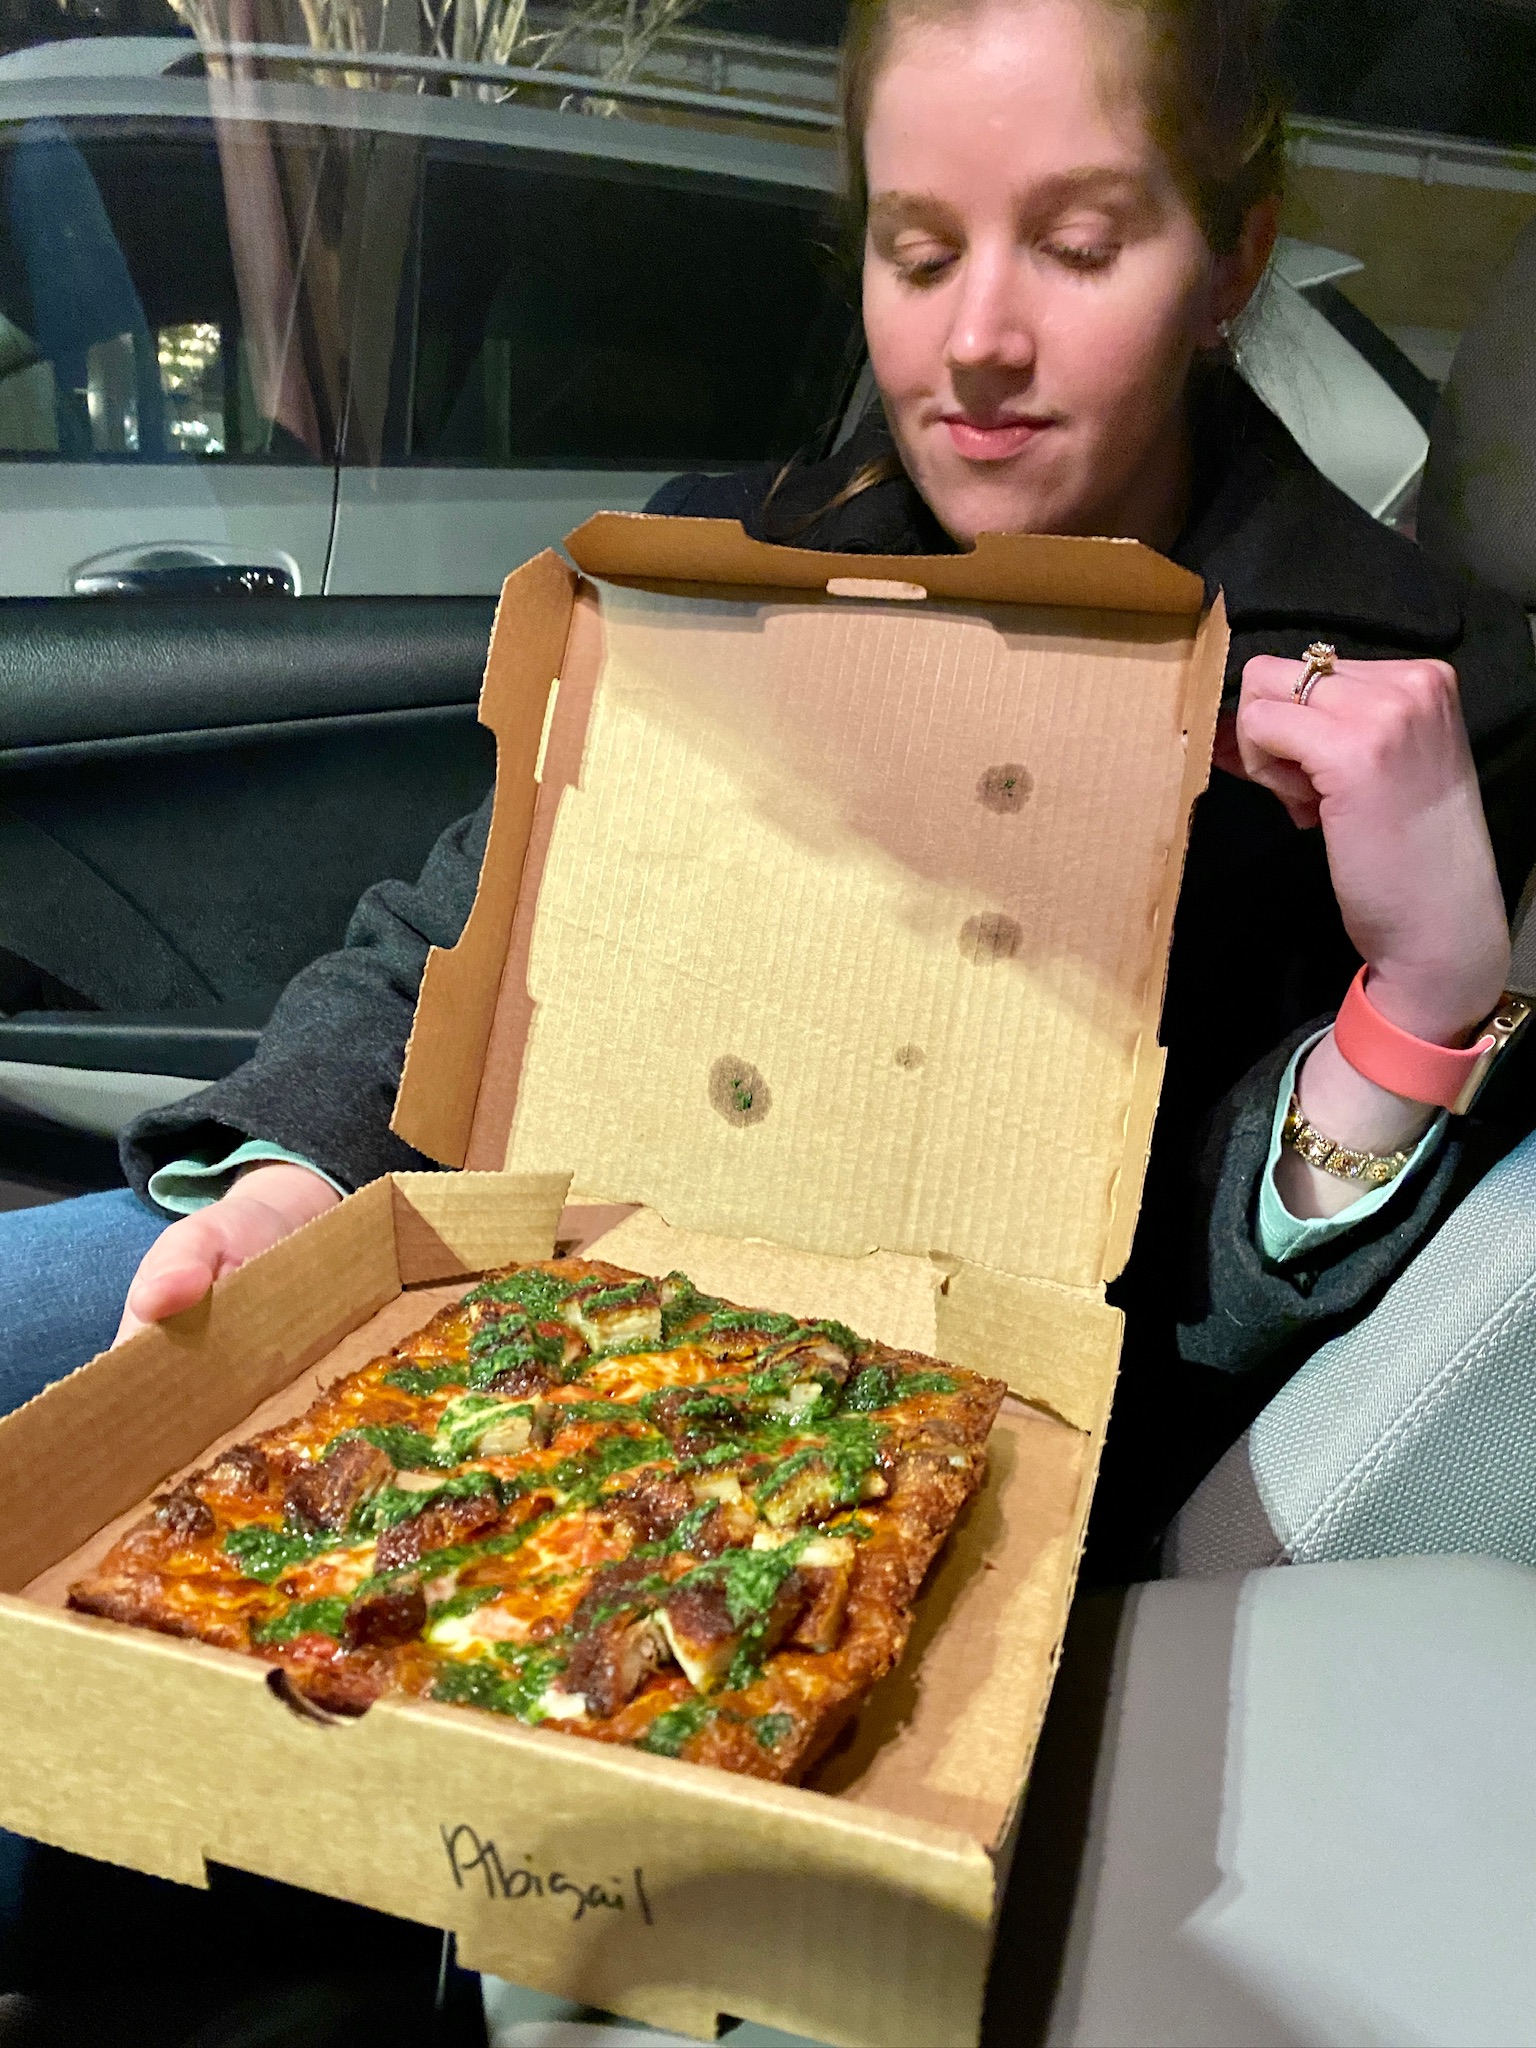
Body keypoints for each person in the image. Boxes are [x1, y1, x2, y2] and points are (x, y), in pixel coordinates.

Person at [4, 0, 1535, 1586]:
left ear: (1229, 262)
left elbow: (1200, 1335)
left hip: (932, 1454)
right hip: (527, 1310)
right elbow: (458, 938)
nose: (978, 339)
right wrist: (289, 1186)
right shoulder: (721, 564)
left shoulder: (1410, 707)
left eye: (1076, 248)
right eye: (919, 255)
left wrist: (1420, 1005)